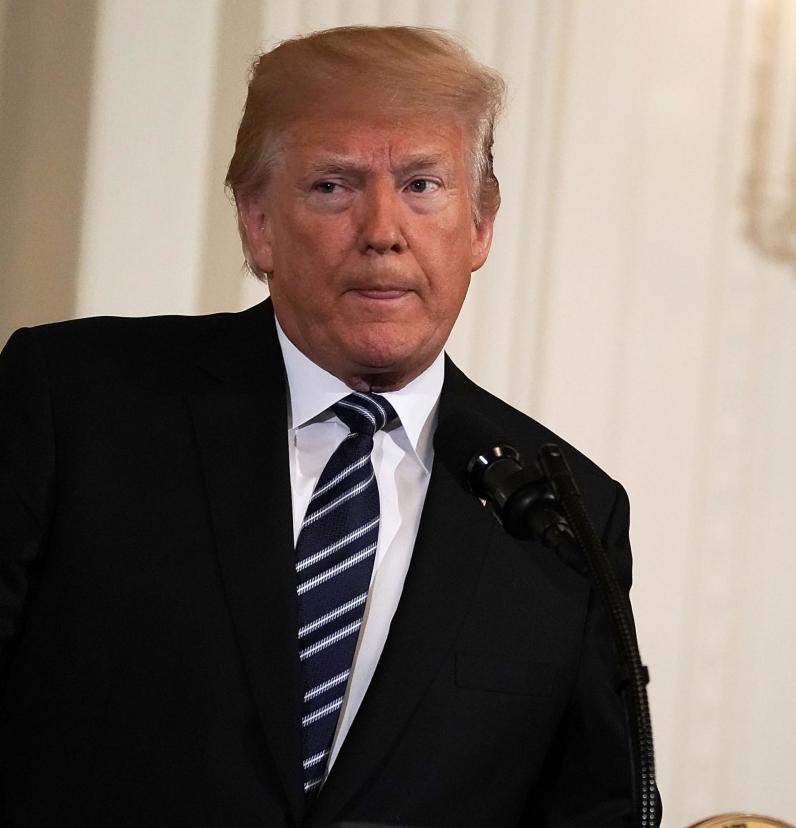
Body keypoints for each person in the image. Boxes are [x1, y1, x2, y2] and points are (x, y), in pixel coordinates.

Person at [0, 26, 651, 826]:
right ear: (257, 222)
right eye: (333, 187)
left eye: (421, 185)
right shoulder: (80, 404)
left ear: (480, 224)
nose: (383, 230)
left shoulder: (566, 513)